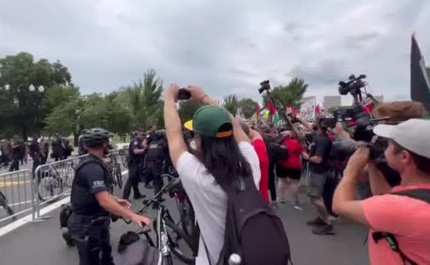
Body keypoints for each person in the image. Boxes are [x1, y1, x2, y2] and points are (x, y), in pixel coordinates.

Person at [163, 84, 261, 264]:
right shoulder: (250, 164)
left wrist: (169, 98)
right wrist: (204, 97)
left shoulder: (198, 175)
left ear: (199, 140)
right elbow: (238, 128)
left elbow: (173, 134)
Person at [333, 119, 430, 265]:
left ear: (404, 157)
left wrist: (351, 170)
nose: (383, 149)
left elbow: (340, 205)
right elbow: (385, 197)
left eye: (388, 145)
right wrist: (372, 165)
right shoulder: (416, 199)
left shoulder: (399, 208)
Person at [68, 128, 151, 265]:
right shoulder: (92, 168)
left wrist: (116, 200)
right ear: (103, 144)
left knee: (105, 260)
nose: (109, 145)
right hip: (86, 226)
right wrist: (133, 216)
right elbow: (104, 201)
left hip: (95, 224)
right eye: (108, 142)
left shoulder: (94, 163)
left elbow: (98, 194)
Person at [302, 119, 334, 235]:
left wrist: (307, 157)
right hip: (317, 171)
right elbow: (311, 129)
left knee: (316, 199)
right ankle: (321, 218)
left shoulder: (321, 140)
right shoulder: (321, 136)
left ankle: (328, 223)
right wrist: (299, 120)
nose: (313, 123)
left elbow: (318, 159)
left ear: (319, 126)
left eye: (315, 122)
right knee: (314, 197)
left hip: (318, 172)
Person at [277, 130, 304, 210]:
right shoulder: (296, 142)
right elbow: (301, 153)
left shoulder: (281, 143)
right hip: (294, 165)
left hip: (282, 164)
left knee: (281, 180)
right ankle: (295, 200)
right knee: (294, 182)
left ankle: (281, 198)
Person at [122, 130, 147, 200]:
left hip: (138, 163)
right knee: (130, 180)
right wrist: (144, 149)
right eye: (143, 135)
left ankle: (137, 194)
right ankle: (125, 197)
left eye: (145, 135)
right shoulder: (135, 141)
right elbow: (135, 151)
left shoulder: (140, 141)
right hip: (133, 163)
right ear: (138, 135)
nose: (144, 136)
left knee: (135, 180)